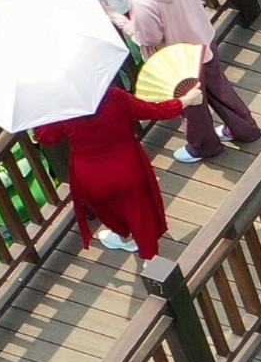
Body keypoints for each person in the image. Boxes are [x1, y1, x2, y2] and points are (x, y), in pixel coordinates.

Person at [97, 0, 260, 161]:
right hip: (204, 39)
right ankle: (245, 129)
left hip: (178, 61)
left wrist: (118, 18)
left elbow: (147, 37)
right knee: (219, 88)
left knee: (192, 107)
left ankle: (204, 146)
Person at [37, 72, 191, 263]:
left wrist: (46, 109)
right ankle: (150, 261)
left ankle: (121, 234)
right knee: (140, 213)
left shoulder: (63, 113)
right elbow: (155, 111)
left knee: (106, 208)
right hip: (127, 166)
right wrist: (184, 101)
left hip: (90, 174)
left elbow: (45, 137)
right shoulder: (114, 97)